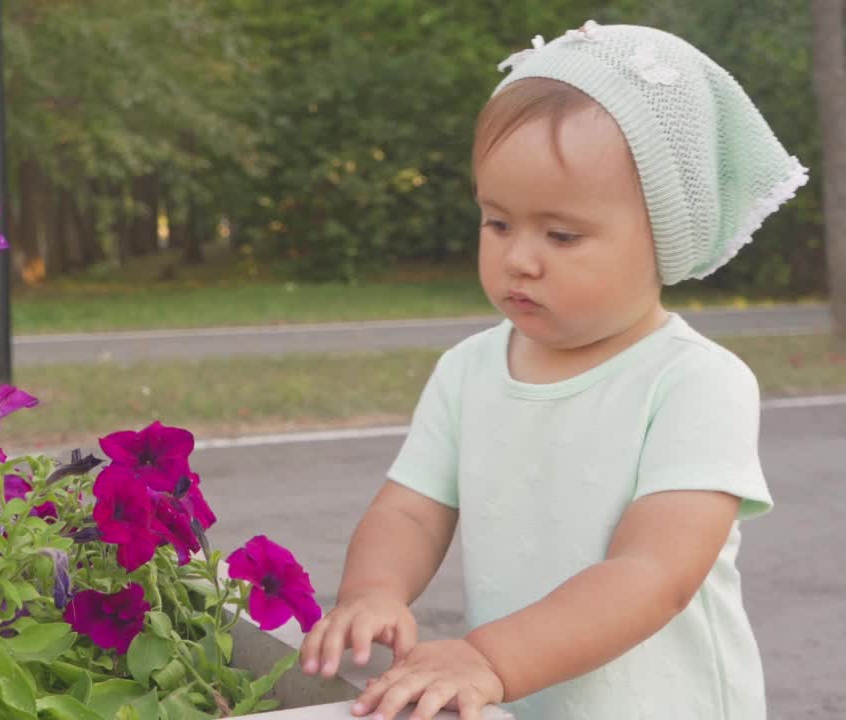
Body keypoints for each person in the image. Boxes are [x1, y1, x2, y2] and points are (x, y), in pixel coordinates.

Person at [298, 20, 808, 720]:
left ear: (666, 235)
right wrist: (373, 590)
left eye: (561, 234)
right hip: (518, 696)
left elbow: (653, 572)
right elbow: (412, 510)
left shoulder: (695, 383)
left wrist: (491, 657)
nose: (519, 259)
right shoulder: (468, 370)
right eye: (497, 223)